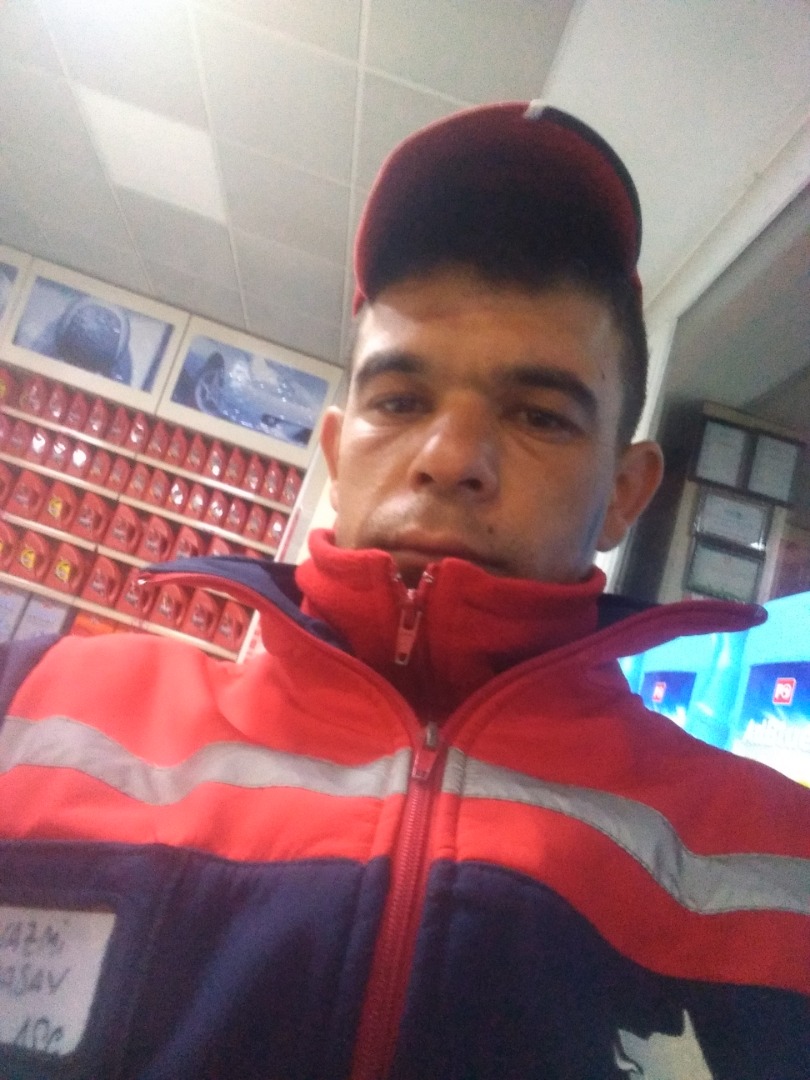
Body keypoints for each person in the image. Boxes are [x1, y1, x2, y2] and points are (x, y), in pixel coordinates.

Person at [0, 101, 807, 1079]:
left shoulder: (776, 866)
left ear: (626, 494)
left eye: (540, 416)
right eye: (399, 400)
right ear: (338, 454)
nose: (451, 457)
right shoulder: (31, 708)